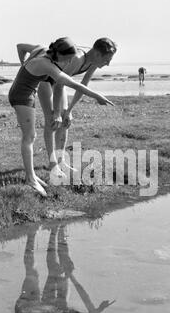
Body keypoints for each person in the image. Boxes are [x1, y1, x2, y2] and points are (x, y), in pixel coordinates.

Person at [9, 37, 114, 196]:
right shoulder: (48, 65)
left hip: (27, 92)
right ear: (61, 55)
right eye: (69, 59)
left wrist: (24, 66)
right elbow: (69, 83)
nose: (70, 62)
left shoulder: (44, 54)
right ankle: (32, 177)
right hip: (23, 94)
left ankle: (38, 173)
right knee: (31, 135)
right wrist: (96, 96)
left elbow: (74, 83)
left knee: (33, 134)